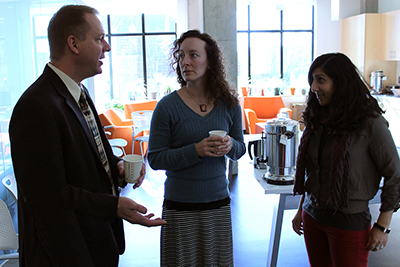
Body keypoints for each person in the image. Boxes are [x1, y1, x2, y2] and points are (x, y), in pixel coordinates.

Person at [9, 5, 165, 267]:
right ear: (74, 44)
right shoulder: (36, 106)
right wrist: (112, 206)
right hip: (66, 254)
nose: (107, 47)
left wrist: (116, 166)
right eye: (99, 38)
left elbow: (87, 158)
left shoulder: (80, 93)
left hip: (97, 242)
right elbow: (47, 196)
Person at [147, 29, 246, 267]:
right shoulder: (167, 107)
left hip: (218, 204)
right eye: (181, 56)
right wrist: (196, 150)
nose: (185, 62)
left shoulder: (229, 104)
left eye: (193, 55)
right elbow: (155, 158)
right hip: (180, 208)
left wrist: (231, 145)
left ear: (209, 62)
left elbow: (240, 149)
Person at [291, 52, 400, 267]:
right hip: (312, 216)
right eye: (312, 80)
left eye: (321, 80)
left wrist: (383, 225)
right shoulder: (318, 118)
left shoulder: (370, 123)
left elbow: (395, 174)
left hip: (348, 222)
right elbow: (313, 172)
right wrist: (301, 210)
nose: (314, 87)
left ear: (341, 82)